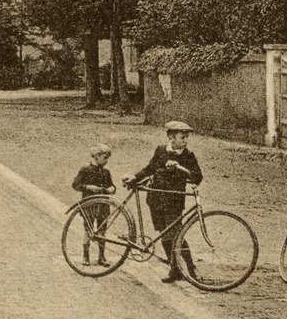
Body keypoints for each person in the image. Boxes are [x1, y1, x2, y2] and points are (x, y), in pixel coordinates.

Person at [127, 120, 203, 283]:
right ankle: (174, 269)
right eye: (182, 137)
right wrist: (134, 177)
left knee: (176, 233)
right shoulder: (161, 151)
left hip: (174, 200)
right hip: (155, 199)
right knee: (163, 233)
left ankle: (191, 267)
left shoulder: (188, 156)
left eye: (186, 137)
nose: (185, 140)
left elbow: (197, 177)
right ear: (171, 137)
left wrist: (181, 168)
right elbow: (150, 169)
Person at [71, 143, 117, 265]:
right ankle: (85, 256)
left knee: (102, 230)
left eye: (107, 158)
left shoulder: (106, 172)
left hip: (103, 205)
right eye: (104, 157)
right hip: (89, 204)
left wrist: (112, 188)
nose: (106, 161)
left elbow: (111, 185)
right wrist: (88, 187)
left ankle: (101, 257)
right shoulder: (85, 170)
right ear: (96, 156)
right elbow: (76, 185)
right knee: (88, 229)